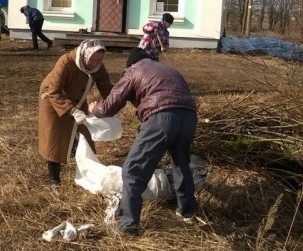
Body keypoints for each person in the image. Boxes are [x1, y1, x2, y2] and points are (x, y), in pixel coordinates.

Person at [88, 47, 198, 236]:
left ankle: (127, 224)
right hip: (188, 117)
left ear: (131, 64)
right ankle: (187, 211)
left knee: (133, 170)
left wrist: (94, 108)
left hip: (162, 119)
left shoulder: (133, 71)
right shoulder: (170, 71)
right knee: (181, 163)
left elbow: (109, 107)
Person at [39, 39, 113, 189]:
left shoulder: (97, 66)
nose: (95, 63)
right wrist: (71, 110)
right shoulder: (66, 62)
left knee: (84, 134)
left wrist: (112, 106)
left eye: (99, 60)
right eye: (92, 59)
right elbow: (53, 91)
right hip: (53, 99)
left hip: (78, 100)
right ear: (85, 54)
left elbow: (106, 87)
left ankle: (86, 171)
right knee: (56, 137)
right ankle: (54, 179)